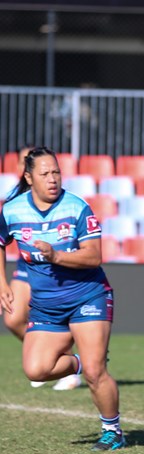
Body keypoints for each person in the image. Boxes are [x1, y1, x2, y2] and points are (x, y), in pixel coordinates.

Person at [0, 147, 125, 450]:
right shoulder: (12, 210)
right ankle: (84, 362)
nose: (53, 179)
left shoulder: (77, 207)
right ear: (29, 178)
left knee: (97, 374)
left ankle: (113, 430)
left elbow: (95, 256)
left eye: (56, 172)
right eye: (45, 174)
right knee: (37, 370)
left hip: (88, 296)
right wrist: (2, 283)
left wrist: (56, 255)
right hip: (45, 305)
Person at [2, 145, 83, 391]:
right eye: (21, 161)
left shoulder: (59, 198)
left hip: (55, 266)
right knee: (13, 318)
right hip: (27, 264)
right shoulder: (14, 200)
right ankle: (49, 357)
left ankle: (67, 367)